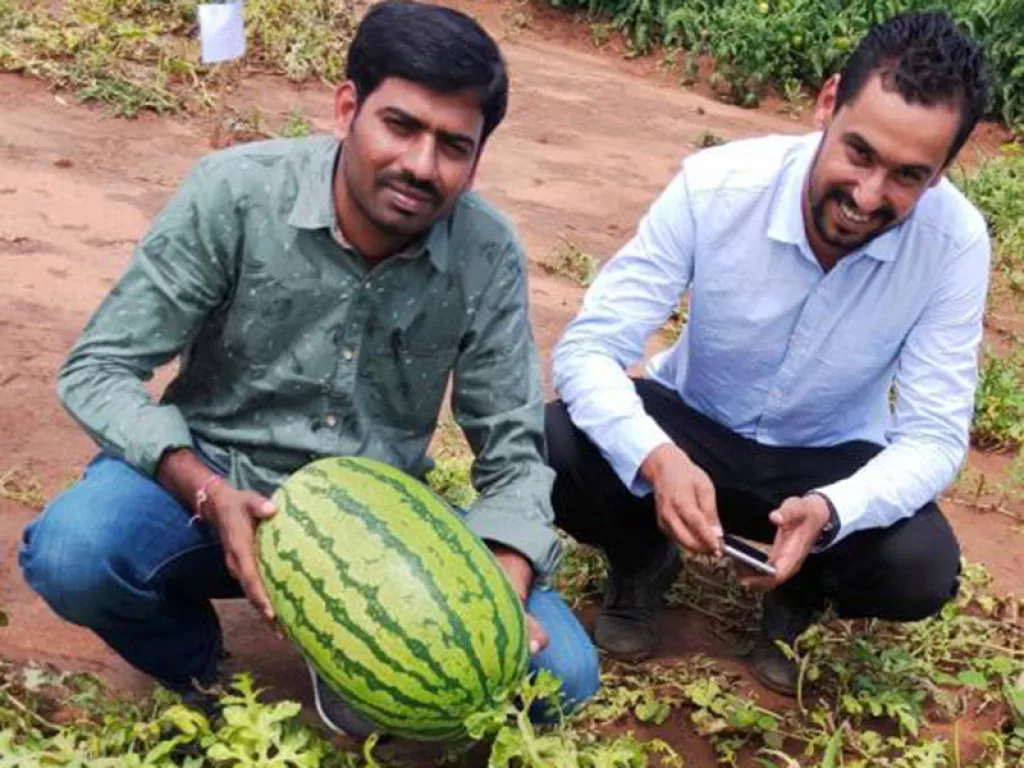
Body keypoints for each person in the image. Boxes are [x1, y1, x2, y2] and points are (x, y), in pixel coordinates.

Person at [19, 0, 599, 736]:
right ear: (346, 108)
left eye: (455, 146)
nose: (422, 165)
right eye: (401, 126)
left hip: (380, 521)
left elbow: (515, 451)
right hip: (212, 483)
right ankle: (199, 667)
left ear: (479, 157)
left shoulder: (485, 255)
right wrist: (203, 491)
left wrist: (503, 589)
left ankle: (361, 672)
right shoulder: (233, 195)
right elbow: (98, 367)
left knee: (562, 678)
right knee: (78, 552)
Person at [546, 10, 990, 695]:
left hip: (826, 458)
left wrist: (833, 508)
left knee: (921, 566)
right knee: (557, 441)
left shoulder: (955, 243)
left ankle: (798, 596)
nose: (867, 196)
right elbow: (588, 350)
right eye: (859, 153)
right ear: (826, 103)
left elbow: (934, 436)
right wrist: (657, 458)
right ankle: (641, 559)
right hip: (693, 429)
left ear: (939, 175)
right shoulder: (716, 185)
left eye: (907, 175)